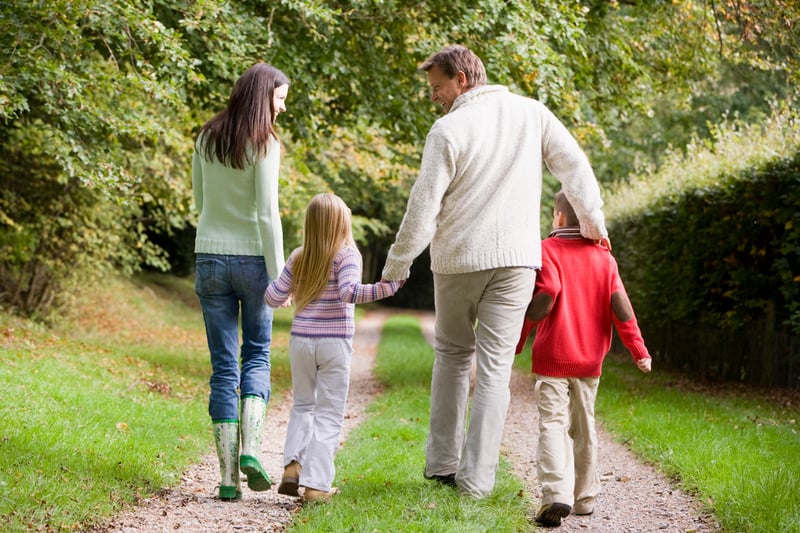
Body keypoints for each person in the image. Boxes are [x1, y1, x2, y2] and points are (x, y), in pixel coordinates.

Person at [380, 44, 609, 499]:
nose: (433, 95)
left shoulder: (447, 130)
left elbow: (423, 207)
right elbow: (574, 168)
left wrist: (397, 265)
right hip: (517, 262)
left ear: (462, 79)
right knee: (495, 369)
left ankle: (442, 465)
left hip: (458, 261)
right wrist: (594, 224)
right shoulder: (532, 113)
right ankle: (477, 483)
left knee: (452, 355)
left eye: (437, 86)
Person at [516, 191, 652, 527]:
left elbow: (545, 297)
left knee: (552, 423)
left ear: (559, 218)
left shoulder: (547, 250)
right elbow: (621, 307)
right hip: (590, 361)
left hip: (552, 357)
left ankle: (556, 494)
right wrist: (638, 349)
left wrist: (516, 341)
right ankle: (585, 498)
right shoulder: (604, 258)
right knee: (585, 426)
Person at [264, 193, 402, 503]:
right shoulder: (347, 254)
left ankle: (292, 467)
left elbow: (272, 297)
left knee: (303, 405)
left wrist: (287, 293)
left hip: (301, 342)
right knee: (328, 413)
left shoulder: (299, 256)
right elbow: (349, 292)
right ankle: (316, 486)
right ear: (342, 222)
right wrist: (387, 288)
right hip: (334, 343)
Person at [192, 62, 289, 501]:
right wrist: (281, 274)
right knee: (257, 355)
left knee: (223, 367)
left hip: (210, 257)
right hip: (254, 261)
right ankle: (251, 448)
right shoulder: (265, 142)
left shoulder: (205, 137)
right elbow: (268, 214)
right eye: (280, 98)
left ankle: (228, 479)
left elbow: (200, 200)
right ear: (263, 95)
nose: (282, 108)